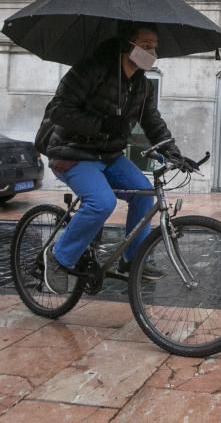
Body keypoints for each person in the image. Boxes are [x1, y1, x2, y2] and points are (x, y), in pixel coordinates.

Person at [40, 22, 182, 293]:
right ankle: (58, 258)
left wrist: (170, 149)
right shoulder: (90, 69)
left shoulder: (141, 84)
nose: (152, 52)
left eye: (155, 46)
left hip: (108, 154)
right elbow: (59, 110)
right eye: (146, 45)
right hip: (72, 152)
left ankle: (133, 259)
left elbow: (151, 120)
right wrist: (103, 124)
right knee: (101, 202)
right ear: (127, 45)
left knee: (143, 192)